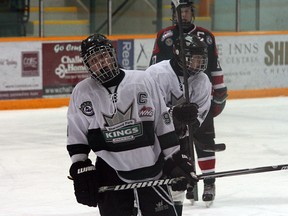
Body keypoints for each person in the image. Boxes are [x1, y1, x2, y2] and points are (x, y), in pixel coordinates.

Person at [66, 33, 198, 216]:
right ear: (87, 65)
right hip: (110, 171)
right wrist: (81, 168)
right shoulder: (82, 92)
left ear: (112, 55)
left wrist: (175, 160)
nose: (101, 63)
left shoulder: (142, 80)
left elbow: (162, 122)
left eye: (103, 56)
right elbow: (76, 134)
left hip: (151, 168)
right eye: (94, 60)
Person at [149, 0, 228, 207]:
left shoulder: (206, 37)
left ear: (191, 13)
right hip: (170, 95)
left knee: (203, 137)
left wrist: (219, 93)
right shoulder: (166, 36)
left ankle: (209, 181)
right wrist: (172, 117)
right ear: (173, 14)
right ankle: (186, 179)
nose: (183, 15)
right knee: (175, 143)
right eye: (179, 12)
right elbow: (153, 73)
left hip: (198, 94)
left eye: (186, 11)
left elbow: (214, 66)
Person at [146, 33, 212, 215]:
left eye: (201, 59)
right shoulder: (155, 73)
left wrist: (188, 124)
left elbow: (198, 119)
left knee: (178, 186)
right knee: (149, 186)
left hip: (179, 141)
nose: (199, 64)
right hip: (153, 142)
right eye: (194, 58)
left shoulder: (202, 81)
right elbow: (146, 110)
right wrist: (173, 114)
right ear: (179, 54)